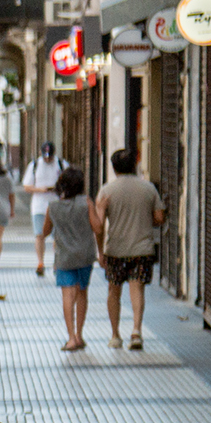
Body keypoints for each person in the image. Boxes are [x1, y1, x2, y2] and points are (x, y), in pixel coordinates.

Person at [94, 147, 167, 351]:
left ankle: (115, 335)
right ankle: (136, 331)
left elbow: (99, 227)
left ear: (114, 167)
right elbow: (160, 218)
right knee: (137, 289)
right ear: (134, 165)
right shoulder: (148, 188)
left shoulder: (107, 191)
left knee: (113, 291)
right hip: (142, 248)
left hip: (115, 249)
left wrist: (100, 251)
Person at [41, 166, 99, 352]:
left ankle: (71, 337)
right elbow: (97, 227)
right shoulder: (86, 203)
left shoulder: (53, 207)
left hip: (64, 257)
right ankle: (80, 335)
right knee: (82, 293)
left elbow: (44, 231)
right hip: (84, 256)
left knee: (68, 295)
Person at [21, 141, 66, 276]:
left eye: (50, 156)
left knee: (57, 236)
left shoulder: (61, 164)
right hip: (39, 206)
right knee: (39, 235)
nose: (48, 159)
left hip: (57, 204)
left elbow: (69, 182)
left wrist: (58, 189)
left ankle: (56, 263)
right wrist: (40, 189)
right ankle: (40, 262)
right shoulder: (34, 165)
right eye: (45, 156)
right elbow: (27, 186)